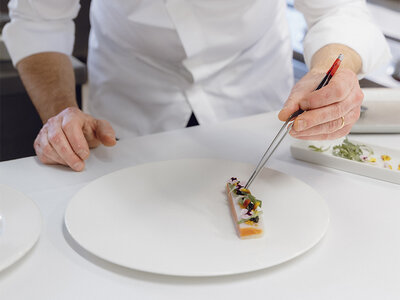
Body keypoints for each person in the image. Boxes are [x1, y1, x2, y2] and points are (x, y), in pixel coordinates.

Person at [3, 0, 391, 171]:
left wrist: (332, 70)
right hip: (132, 83)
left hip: (250, 78)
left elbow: (337, 10)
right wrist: (60, 114)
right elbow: (39, 21)